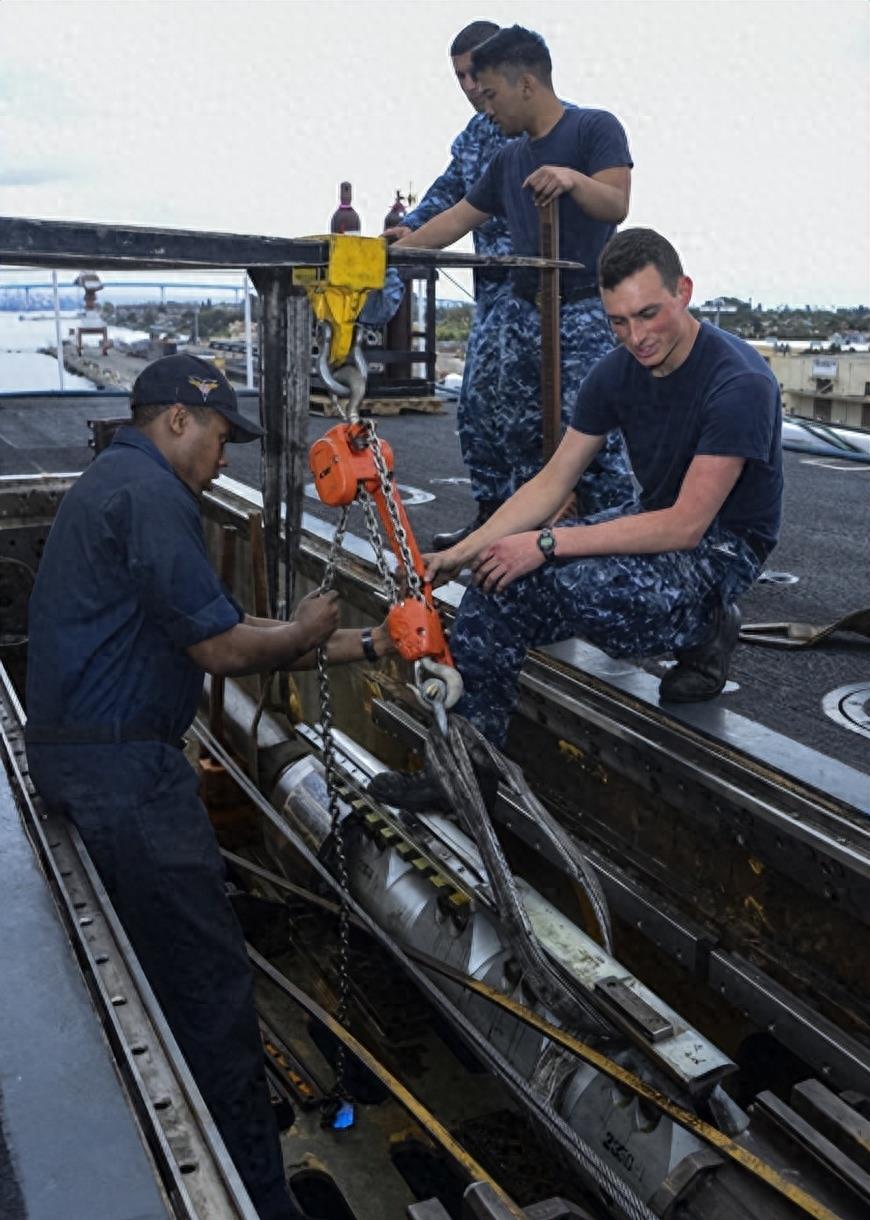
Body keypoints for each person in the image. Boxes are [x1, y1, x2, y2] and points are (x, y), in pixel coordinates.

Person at [24, 354, 393, 1220]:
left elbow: (226, 625)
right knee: (211, 993)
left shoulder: (115, 483)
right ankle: (258, 1200)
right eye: (221, 437)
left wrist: (368, 644)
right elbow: (226, 650)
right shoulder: (153, 497)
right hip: (126, 780)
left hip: (94, 763)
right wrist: (305, 627)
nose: (224, 458)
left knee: (170, 977)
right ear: (178, 419)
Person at [372, 229, 782, 803]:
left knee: (591, 595)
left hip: (721, 545)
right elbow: (552, 482)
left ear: (684, 291)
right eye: (619, 321)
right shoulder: (616, 372)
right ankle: (464, 773)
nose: (636, 337)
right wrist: (460, 556)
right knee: (495, 581)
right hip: (654, 514)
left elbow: (686, 525)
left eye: (648, 314)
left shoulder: (739, 383)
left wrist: (545, 544)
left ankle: (705, 623)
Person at [394, 24, 636, 539]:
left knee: (593, 442)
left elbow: (616, 202)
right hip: (522, 315)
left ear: (525, 84)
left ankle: (610, 549)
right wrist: (385, 256)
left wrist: (572, 179)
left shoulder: (594, 127)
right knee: (520, 436)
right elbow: (456, 217)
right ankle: (523, 547)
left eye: (491, 94)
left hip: (582, 313)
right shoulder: (507, 157)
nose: (485, 107)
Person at [384, 18, 514, 549]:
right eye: (459, 76)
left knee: (549, 422)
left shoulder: (545, 126)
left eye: (474, 72)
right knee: (478, 408)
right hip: (494, 298)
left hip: (551, 302)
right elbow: (447, 192)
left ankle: (555, 531)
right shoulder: (475, 137)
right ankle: (491, 516)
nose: (469, 86)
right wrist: (409, 229)